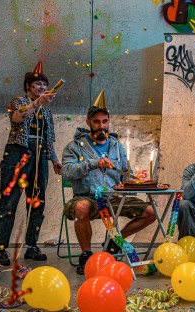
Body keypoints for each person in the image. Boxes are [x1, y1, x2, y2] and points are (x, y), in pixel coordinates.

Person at [61, 90, 156, 274]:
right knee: (81, 207)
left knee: (151, 212)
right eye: (96, 122)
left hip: (114, 198)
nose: (101, 126)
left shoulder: (116, 145)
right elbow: (66, 172)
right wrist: (93, 163)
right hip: (87, 197)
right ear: (88, 122)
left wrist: (137, 182)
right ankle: (86, 254)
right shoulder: (74, 146)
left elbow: (125, 174)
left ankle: (114, 241)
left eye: (105, 121)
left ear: (109, 122)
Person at [0, 61, 62, 266]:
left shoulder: (46, 111)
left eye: (44, 84)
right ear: (28, 87)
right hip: (18, 153)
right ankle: (0, 249)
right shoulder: (19, 101)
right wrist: (38, 102)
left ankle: (31, 246)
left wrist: (55, 160)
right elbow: (17, 118)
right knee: (9, 201)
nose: (41, 87)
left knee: (37, 201)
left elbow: (48, 138)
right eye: (37, 84)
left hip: (40, 155)